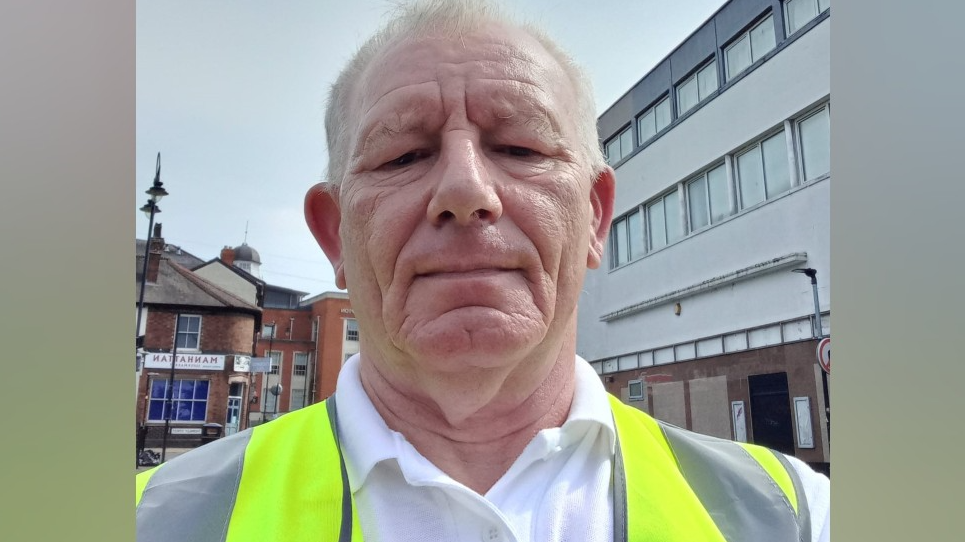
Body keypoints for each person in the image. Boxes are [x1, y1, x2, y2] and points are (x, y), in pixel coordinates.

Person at [135, 1, 830, 540]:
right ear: (334, 232)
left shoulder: (797, 517)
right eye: (403, 156)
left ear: (593, 215)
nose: (465, 191)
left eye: (521, 147)